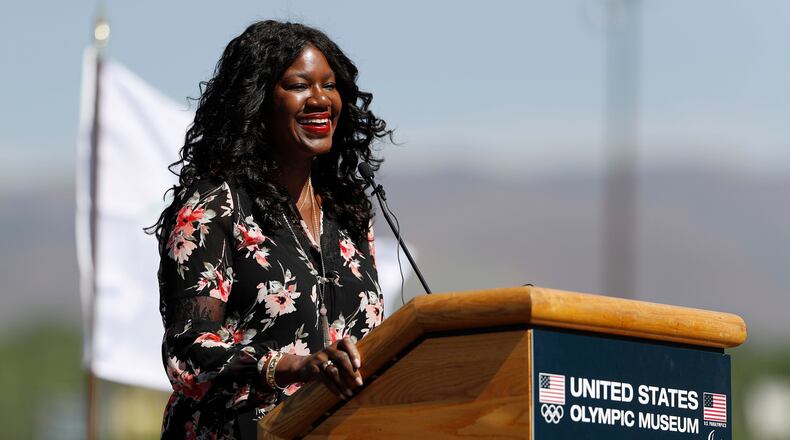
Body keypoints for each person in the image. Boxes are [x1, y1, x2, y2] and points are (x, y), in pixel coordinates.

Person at [148, 20, 390, 439]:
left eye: (329, 86)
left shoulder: (349, 215)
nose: (319, 100)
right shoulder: (214, 208)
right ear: (257, 101)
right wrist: (292, 366)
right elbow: (188, 354)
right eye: (299, 86)